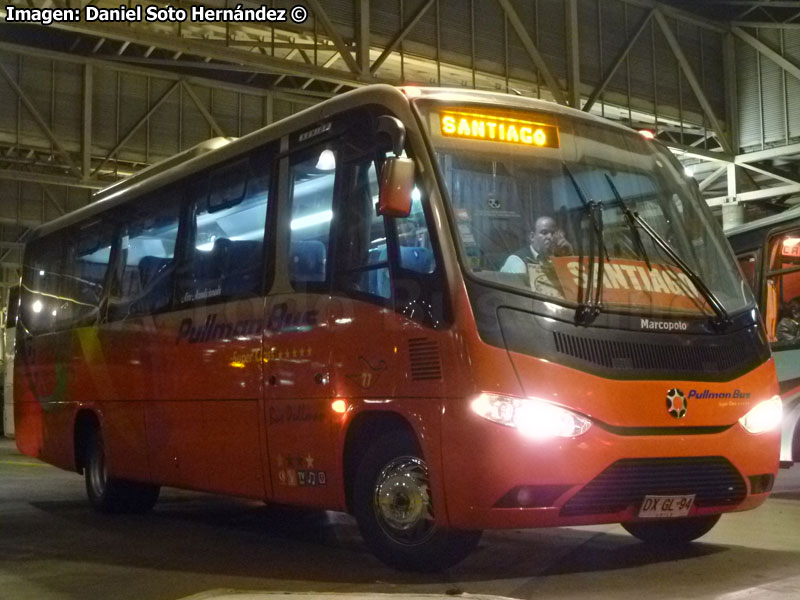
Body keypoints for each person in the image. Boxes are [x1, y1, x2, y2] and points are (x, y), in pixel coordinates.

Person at [501, 216, 573, 273]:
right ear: (532, 237)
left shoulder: (556, 258)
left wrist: (568, 255)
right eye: (544, 232)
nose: (550, 237)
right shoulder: (518, 262)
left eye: (553, 233)